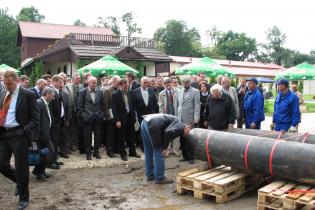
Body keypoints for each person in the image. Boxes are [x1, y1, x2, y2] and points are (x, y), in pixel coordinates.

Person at [0, 70, 39, 210]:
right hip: (4, 135)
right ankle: (19, 182)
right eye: (5, 84)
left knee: (21, 168)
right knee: (2, 165)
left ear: (17, 81)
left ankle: (23, 198)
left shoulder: (28, 94)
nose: (6, 86)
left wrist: (24, 131)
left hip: (19, 134)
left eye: (9, 84)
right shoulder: (3, 93)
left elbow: (35, 118)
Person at [141, 114, 191, 184]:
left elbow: (167, 133)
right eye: (189, 131)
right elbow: (168, 133)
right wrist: (165, 147)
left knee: (148, 151)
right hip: (153, 125)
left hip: (145, 122)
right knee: (158, 152)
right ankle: (160, 178)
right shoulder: (180, 126)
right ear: (187, 127)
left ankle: (150, 175)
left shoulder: (177, 123)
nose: (188, 134)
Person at [112, 79, 141, 161]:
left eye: (127, 86)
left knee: (132, 136)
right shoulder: (115, 95)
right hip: (121, 119)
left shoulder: (130, 92)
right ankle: (123, 154)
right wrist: (117, 120)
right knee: (121, 137)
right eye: (125, 86)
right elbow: (114, 109)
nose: (126, 87)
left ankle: (132, 152)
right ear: (120, 85)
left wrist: (134, 117)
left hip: (130, 118)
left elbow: (133, 106)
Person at [78, 76, 105, 160]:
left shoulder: (100, 92)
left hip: (98, 118)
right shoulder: (82, 92)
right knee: (87, 137)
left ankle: (96, 152)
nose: (95, 84)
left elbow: (102, 105)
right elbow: (79, 106)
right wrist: (83, 115)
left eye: (96, 82)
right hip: (87, 118)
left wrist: (101, 114)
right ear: (88, 83)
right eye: (93, 82)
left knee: (98, 136)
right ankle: (88, 152)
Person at [174, 76, 200, 163]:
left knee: (190, 138)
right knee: (182, 138)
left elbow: (197, 105)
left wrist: (196, 117)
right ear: (182, 83)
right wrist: (175, 118)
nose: (186, 84)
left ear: (190, 83)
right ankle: (185, 156)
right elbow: (176, 105)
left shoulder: (195, 91)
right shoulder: (179, 91)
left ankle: (191, 157)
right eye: (184, 83)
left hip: (189, 118)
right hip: (180, 118)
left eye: (187, 83)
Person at [32, 87, 55, 181]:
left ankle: (41, 171)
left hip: (45, 133)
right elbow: (36, 120)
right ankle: (39, 173)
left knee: (48, 152)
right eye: (52, 96)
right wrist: (36, 136)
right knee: (45, 153)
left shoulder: (45, 103)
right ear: (48, 94)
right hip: (40, 135)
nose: (53, 98)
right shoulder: (39, 103)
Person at [158, 77, 178, 156]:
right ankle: (168, 150)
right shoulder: (161, 94)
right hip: (167, 116)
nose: (168, 87)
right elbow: (161, 106)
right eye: (166, 85)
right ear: (164, 85)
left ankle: (175, 149)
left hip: (175, 114)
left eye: (169, 85)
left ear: (171, 84)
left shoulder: (177, 91)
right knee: (167, 133)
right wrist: (162, 116)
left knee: (176, 132)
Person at [48, 75, 64, 169]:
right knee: (52, 142)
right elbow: (50, 109)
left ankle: (54, 159)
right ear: (54, 81)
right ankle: (50, 162)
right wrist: (53, 122)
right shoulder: (50, 91)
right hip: (54, 122)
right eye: (60, 82)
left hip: (58, 121)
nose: (61, 84)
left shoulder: (57, 91)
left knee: (56, 142)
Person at [103, 76, 121, 157]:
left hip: (117, 116)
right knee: (110, 134)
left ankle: (116, 149)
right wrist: (107, 116)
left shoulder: (119, 90)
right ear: (113, 81)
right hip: (110, 116)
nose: (119, 84)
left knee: (117, 134)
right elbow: (105, 105)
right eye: (118, 82)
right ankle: (109, 151)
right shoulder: (108, 91)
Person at [65, 73, 81, 152]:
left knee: (77, 129)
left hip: (79, 111)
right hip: (71, 112)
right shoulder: (69, 87)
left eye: (79, 78)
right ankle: (69, 146)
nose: (79, 79)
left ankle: (76, 144)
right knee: (70, 130)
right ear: (73, 79)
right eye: (77, 78)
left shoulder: (81, 87)